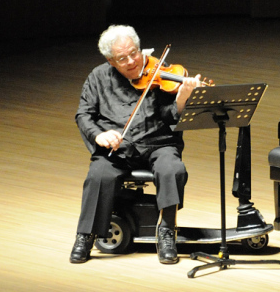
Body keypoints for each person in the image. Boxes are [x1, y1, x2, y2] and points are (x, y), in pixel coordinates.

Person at [70, 25, 202, 265]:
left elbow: (171, 116)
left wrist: (182, 97)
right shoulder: (98, 77)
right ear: (111, 61)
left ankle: (166, 232)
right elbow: (84, 115)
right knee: (99, 174)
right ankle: (85, 235)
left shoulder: (158, 72)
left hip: (158, 142)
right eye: (123, 58)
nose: (132, 61)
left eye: (134, 52)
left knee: (173, 169)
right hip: (119, 147)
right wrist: (99, 135)